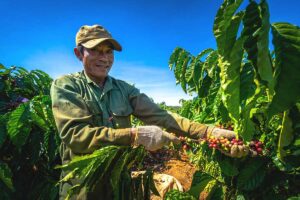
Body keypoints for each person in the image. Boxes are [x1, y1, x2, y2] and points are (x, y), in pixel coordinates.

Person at [50, 24, 248, 200]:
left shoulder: (124, 90)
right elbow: (76, 136)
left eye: (109, 52)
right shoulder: (66, 86)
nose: (104, 58)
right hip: (83, 186)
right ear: (78, 53)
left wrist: (207, 132)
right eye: (95, 51)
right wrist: (135, 135)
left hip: (120, 182)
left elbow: (163, 116)